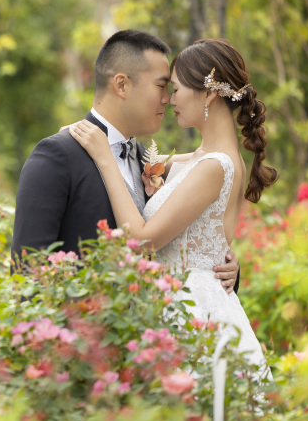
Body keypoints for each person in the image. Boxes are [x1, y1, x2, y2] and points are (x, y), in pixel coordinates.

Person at [69, 38, 276, 371]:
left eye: (176, 89)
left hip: (192, 312)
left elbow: (143, 241)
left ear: (209, 93)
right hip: (184, 302)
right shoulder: (201, 159)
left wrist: (104, 158)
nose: (169, 99)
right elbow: (137, 163)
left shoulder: (215, 165)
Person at [11, 30, 240, 293]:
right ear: (122, 85)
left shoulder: (147, 162)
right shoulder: (57, 155)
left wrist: (225, 265)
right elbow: (27, 272)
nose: (168, 99)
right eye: (161, 86)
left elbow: (184, 237)